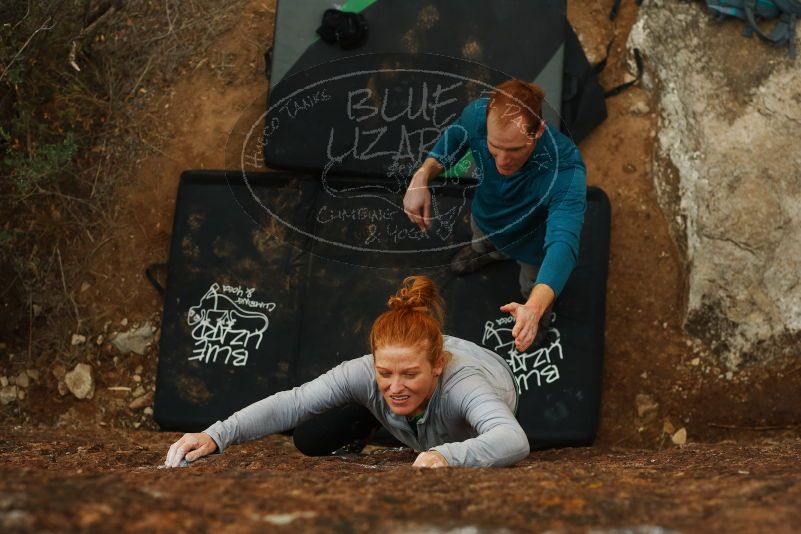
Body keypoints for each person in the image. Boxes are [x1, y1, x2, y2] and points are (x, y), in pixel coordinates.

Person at [164, 276, 529, 468]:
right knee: (309, 439)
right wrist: (215, 435)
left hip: (485, 377)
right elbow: (294, 402)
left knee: (444, 444)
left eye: (409, 375)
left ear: (436, 366)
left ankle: (412, 429)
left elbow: (513, 439)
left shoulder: (463, 382)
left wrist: (447, 456)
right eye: (384, 373)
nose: (395, 386)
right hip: (418, 399)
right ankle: (379, 423)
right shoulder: (369, 372)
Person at [403, 80, 587, 353]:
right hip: (485, 218)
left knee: (533, 289)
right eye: (494, 147)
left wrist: (533, 309)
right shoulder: (478, 114)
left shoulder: (565, 167)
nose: (502, 161)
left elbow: (563, 243)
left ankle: (537, 321)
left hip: (532, 246)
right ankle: (487, 253)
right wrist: (422, 176)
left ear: (538, 132)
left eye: (514, 150)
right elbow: (455, 137)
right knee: (482, 241)